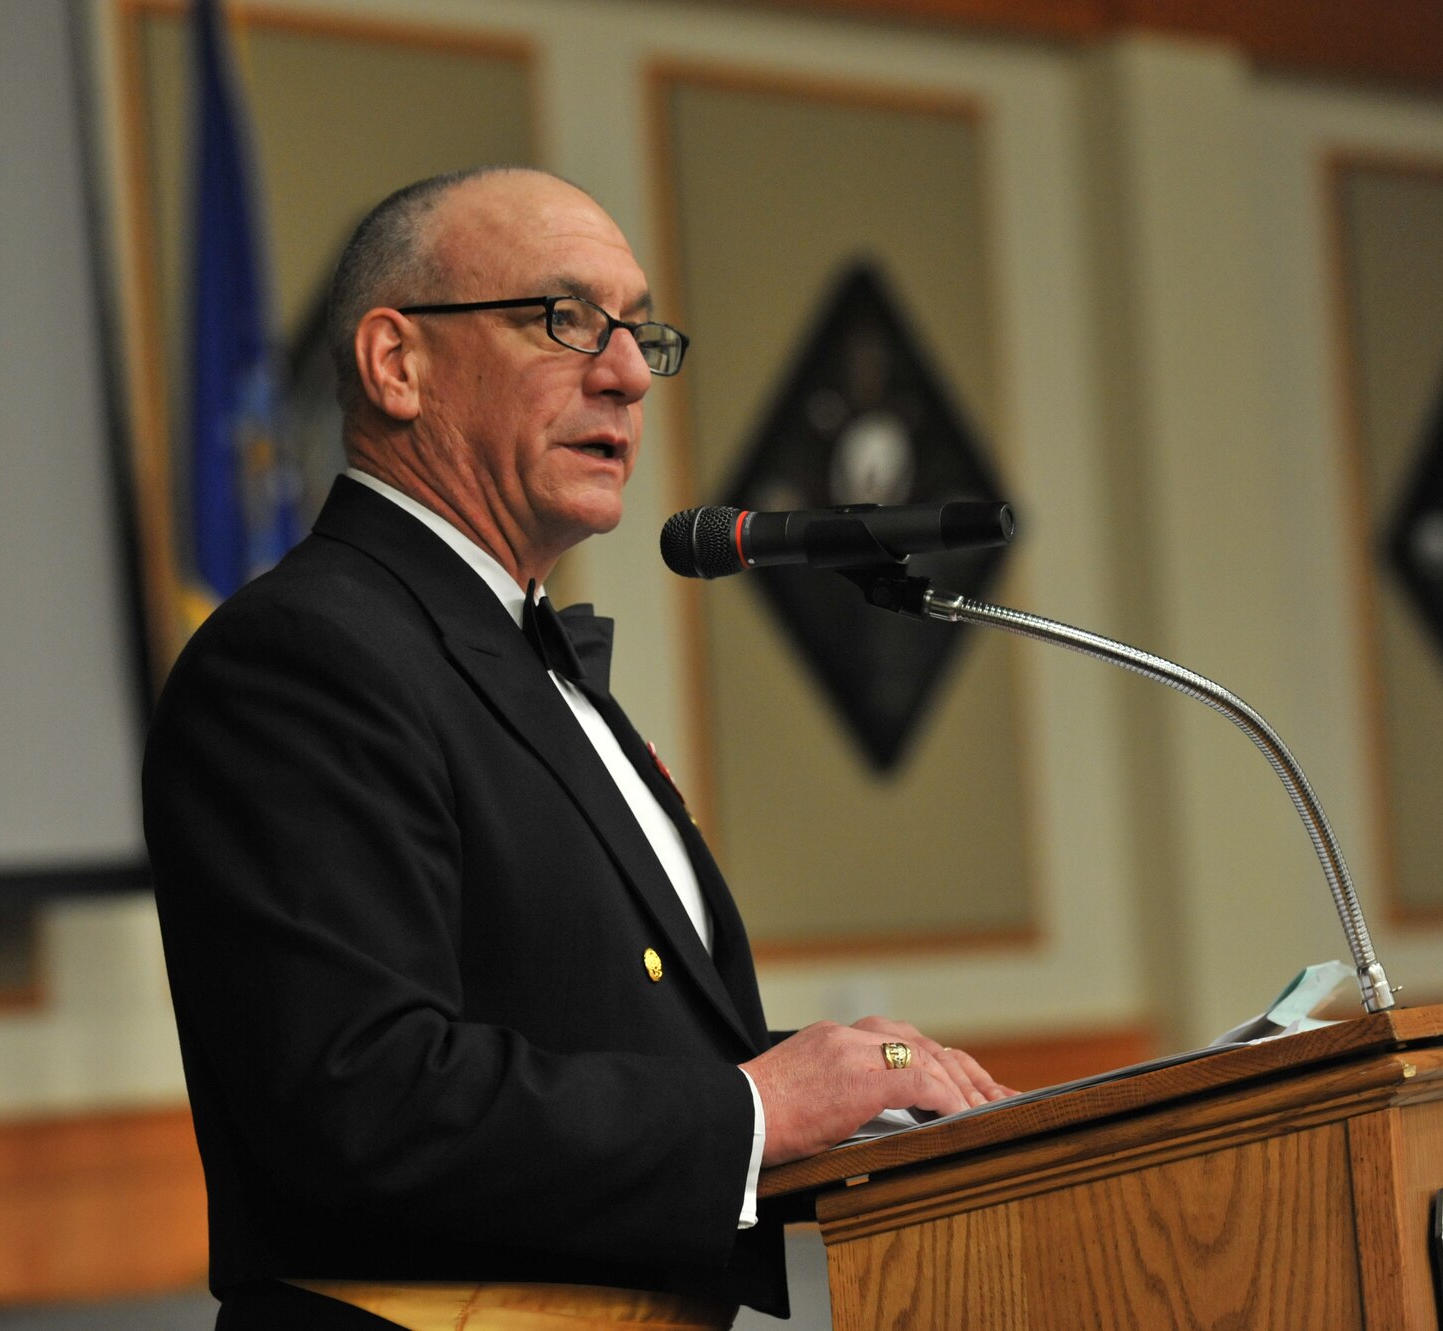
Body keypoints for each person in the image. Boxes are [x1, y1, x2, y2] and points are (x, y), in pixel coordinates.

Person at [142, 166, 1013, 1331]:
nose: (622, 372)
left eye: (639, 331)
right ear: (396, 364)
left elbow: (586, 1029)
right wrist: (755, 1107)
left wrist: (843, 1091)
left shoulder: (508, 648)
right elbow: (360, 1097)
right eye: (562, 320)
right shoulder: (303, 654)